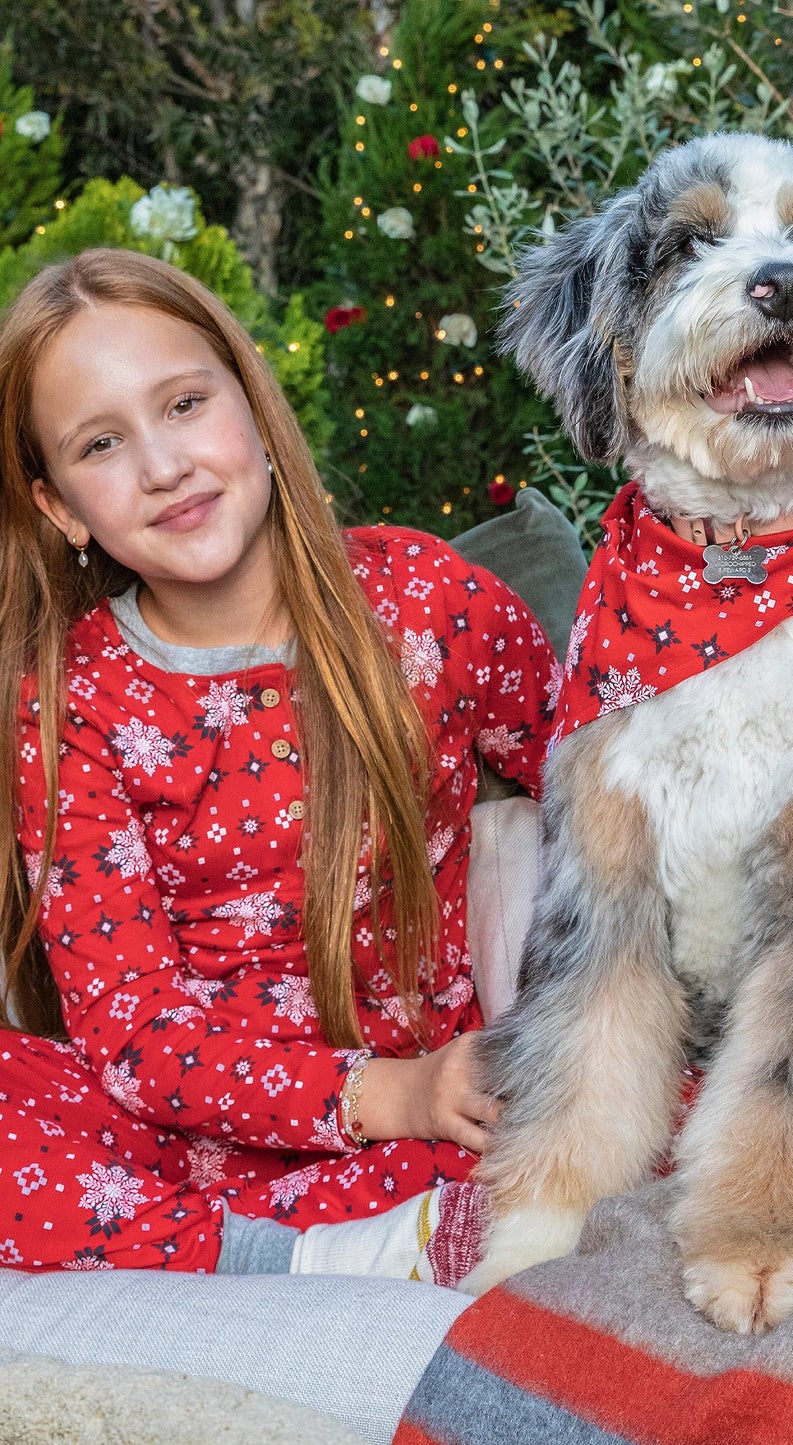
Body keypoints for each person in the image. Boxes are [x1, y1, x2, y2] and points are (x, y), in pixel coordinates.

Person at [0, 249, 560, 1282]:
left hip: (444, 1103)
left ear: (252, 401)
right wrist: (380, 1092)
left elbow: (599, 776)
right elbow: (130, 1032)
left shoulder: (424, 599)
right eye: (103, 443)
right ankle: (300, 1263)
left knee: (684, 1084)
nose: (163, 465)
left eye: (182, 404)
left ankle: (397, 1235)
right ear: (62, 507)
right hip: (178, 1146)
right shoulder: (71, 698)